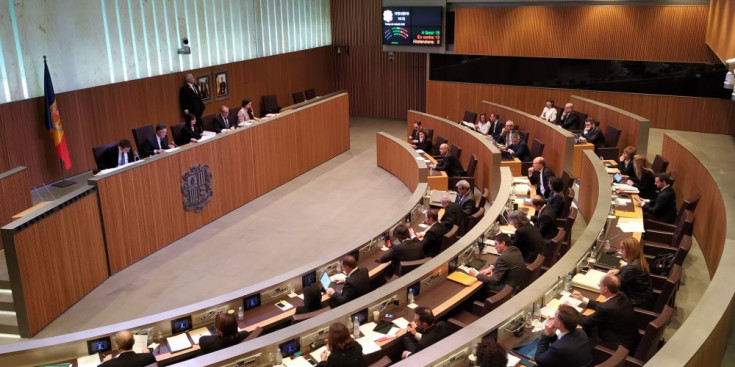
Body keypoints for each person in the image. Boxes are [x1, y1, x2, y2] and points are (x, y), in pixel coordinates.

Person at [572, 275, 638, 352]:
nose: (599, 287)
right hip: (629, 337)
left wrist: (571, 310)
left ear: (605, 288)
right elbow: (602, 305)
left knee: (583, 331)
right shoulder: (621, 295)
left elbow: (585, 321)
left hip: (619, 344)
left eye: (600, 285)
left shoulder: (606, 308)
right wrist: (583, 299)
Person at [609, 237, 655, 310]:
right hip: (643, 297)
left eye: (622, 248)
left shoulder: (633, 267)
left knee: (607, 305)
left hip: (638, 303)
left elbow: (615, 285)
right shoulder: (638, 259)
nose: (620, 251)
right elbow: (627, 267)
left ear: (630, 251)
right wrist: (619, 270)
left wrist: (606, 280)